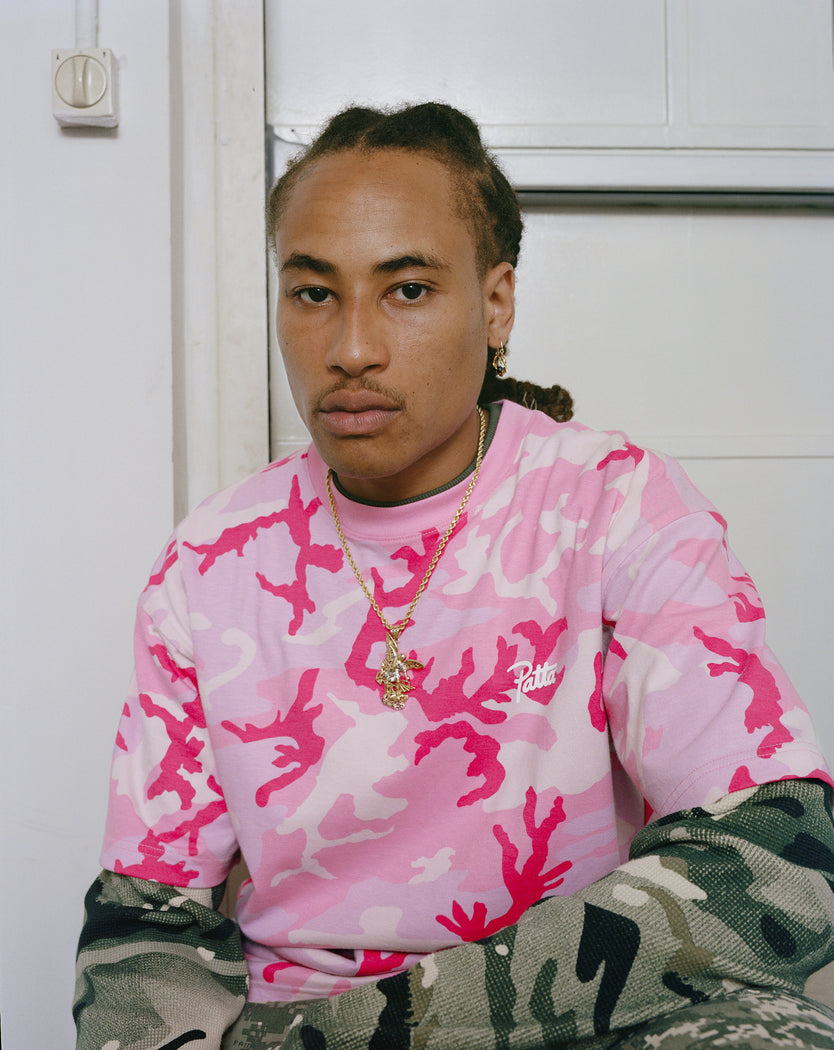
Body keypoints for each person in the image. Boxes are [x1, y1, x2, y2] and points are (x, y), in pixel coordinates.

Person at [75, 102, 834, 1050]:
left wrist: (372, 1032)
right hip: (289, 1016)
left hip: (564, 1020)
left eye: (407, 289)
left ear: (496, 302)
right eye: (312, 293)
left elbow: (777, 860)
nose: (352, 349)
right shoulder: (207, 562)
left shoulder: (617, 504)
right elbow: (146, 926)